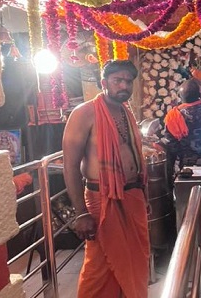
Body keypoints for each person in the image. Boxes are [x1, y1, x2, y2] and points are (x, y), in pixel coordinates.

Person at [62, 60, 149, 298]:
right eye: (117, 80)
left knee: (134, 258)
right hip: (102, 198)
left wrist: (144, 195)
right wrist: (80, 213)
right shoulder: (84, 113)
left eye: (128, 81)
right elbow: (69, 165)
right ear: (104, 83)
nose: (124, 85)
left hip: (133, 196)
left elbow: (134, 155)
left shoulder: (126, 112)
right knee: (99, 267)